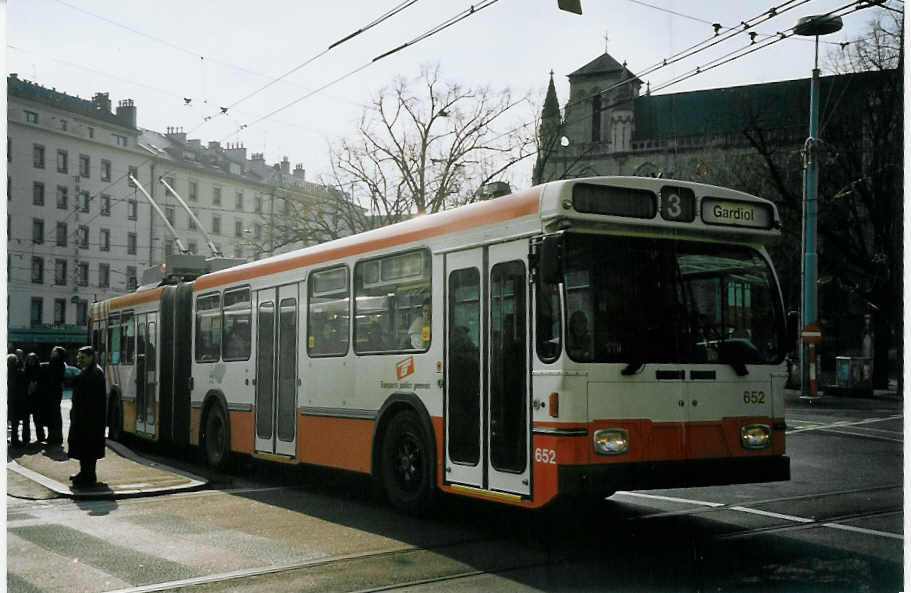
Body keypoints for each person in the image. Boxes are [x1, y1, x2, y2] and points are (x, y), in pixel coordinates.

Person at [68, 346, 107, 488]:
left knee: (88, 449)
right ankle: (84, 473)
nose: (79, 360)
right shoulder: (89, 371)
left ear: (91, 357)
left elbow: (90, 400)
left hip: (89, 420)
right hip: (85, 418)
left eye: (82, 357)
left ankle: (88, 476)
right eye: (78, 357)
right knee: (84, 448)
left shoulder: (95, 373)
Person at [39, 346, 67, 446]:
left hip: (52, 392)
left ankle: (53, 437)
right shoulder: (59, 364)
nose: (52, 353)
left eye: (54, 352)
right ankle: (55, 436)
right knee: (54, 416)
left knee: (53, 416)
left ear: (58, 354)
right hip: (55, 392)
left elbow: (52, 376)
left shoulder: (56, 364)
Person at [23, 352, 44, 443]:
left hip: (36, 397)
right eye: (29, 360)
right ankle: (27, 437)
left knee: (37, 419)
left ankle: (40, 437)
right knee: (27, 419)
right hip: (28, 397)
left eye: (32, 360)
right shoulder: (25, 370)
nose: (31, 361)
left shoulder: (39, 370)